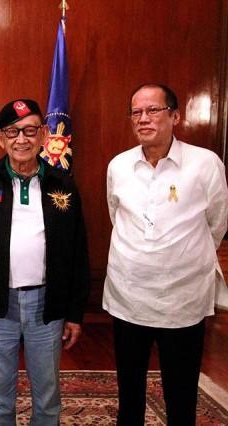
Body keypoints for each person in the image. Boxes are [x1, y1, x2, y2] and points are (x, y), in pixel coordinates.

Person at [0, 99, 90, 425]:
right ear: (0, 138)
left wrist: (74, 313)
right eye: (13, 132)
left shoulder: (62, 183)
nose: (21, 139)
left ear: (43, 134)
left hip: (47, 306)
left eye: (30, 131)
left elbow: (78, 252)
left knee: (47, 395)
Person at [104, 83, 228, 425]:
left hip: (182, 299)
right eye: (136, 112)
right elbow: (116, 215)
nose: (143, 119)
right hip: (128, 296)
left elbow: (217, 223)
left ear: (175, 116)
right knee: (129, 393)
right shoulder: (119, 166)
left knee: (181, 394)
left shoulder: (205, 164)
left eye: (153, 110)